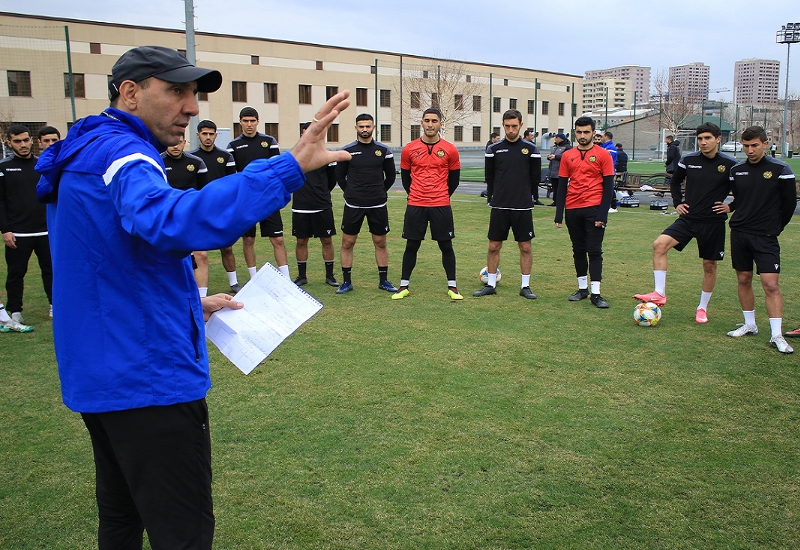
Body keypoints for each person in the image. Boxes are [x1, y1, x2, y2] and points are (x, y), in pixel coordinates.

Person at [35, 45, 352, 549]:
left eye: (193, 94)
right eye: (177, 91)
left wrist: (188, 301)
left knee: (121, 517)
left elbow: (110, 259)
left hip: (101, 372)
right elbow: (174, 221)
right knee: (182, 533)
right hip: (148, 380)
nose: (192, 107)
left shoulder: (86, 146)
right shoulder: (125, 155)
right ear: (131, 93)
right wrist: (287, 167)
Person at [633, 123, 737, 324]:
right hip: (688, 218)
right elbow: (674, 182)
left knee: (709, 265)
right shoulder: (689, 160)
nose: (703, 142)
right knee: (659, 245)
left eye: (707, 138)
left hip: (713, 222)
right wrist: (678, 203)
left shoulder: (730, 163)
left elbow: (744, 190)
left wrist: (730, 207)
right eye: (700, 138)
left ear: (718, 139)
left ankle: (702, 308)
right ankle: (659, 293)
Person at [724, 126, 796, 354]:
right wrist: (731, 208)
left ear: (765, 144)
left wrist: (776, 227)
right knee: (743, 278)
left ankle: (776, 335)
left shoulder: (781, 169)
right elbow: (741, 199)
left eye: (754, 145)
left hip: (765, 236)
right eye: (746, 146)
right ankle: (750, 324)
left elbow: (789, 203)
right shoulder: (737, 170)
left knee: (771, 285)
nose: (750, 150)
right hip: (739, 233)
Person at [393, 108, 462, 301]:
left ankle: (452, 287)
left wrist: (440, 195)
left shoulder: (450, 149)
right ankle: (403, 286)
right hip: (416, 204)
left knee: (446, 245)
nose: (430, 124)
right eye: (427, 120)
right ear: (421, 123)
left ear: (440, 124)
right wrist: (417, 194)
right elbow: (406, 179)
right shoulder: (409, 149)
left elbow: (454, 180)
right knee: (411, 245)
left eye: (434, 121)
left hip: (441, 204)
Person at [474, 109, 540, 299]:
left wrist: (528, 196)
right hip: (500, 206)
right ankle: (491, 284)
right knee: (494, 246)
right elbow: (490, 177)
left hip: (522, 206)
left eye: (514, 126)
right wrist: (492, 197)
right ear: (503, 125)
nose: (511, 130)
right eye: (508, 126)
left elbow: (535, 177)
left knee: (525, 246)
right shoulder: (494, 149)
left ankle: (525, 286)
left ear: (521, 125)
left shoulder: (531, 150)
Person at [553, 116, 614, 309]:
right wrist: (559, 213)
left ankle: (596, 293)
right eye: (579, 132)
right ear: (575, 133)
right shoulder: (567, 155)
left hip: (594, 208)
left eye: (586, 132)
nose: (582, 135)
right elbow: (561, 186)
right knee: (578, 250)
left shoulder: (603, 155)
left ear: (593, 133)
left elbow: (609, 187)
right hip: (572, 209)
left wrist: (603, 214)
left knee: (594, 250)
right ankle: (582, 289)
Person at [334, 113, 397, 294]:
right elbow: (339, 176)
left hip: (377, 204)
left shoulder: (383, 151)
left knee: (380, 242)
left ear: (373, 128)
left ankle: (383, 281)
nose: (364, 129)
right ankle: (346, 282)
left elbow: (391, 176)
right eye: (361, 126)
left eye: (368, 126)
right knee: (347, 242)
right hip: (354, 205)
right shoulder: (347, 151)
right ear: (356, 128)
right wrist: (351, 192)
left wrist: (379, 192)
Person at [0, 124, 52, 332]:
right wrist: (5, 230)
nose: (22, 144)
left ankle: (54, 305)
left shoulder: (41, 165)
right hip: (17, 233)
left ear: (31, 140)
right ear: (9, 143)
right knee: (16, 273)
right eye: (17, 141)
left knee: (50, 270)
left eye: (25, 140)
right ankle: (15, 311)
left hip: (45, 230)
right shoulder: (4, 167)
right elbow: (0, 202)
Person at [227, 106, 290, 279]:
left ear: (258, 122)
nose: (249, 124)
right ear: (240, 122)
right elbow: (234, 176)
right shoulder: (233, 146)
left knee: (278, 239)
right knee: (248, 240)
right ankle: (253, 278)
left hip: (268, 198)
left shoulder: (269, 141)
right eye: (245, 121)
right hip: (247, 200)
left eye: (252, 121)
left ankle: (286, 279)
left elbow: (277, 169)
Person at [191, 119, 242, 293]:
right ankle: (197, 287)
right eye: (204, 134)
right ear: (198, 135)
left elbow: (233, 183)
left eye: (211, 134)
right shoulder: (192, 158)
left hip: (221, 209)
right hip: (200, 210)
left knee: (227, 247)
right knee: (198, 251)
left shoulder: (226, 157)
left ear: (216, 135)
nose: (208, 137)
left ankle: (234, 282)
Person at [162, 134, 212, 296]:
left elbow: (204, 192)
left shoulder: (197, 163)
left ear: (184, 142)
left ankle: (201, 297)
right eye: (172, 143)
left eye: (179, 143)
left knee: (201, 255)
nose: (175, 146)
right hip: (168, 217)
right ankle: (175, 295)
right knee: (171, 258)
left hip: (193, 217)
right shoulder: (158, 162)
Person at [293, 121, 339, 287]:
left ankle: (330, 276)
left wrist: (321, 193)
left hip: (322, 205)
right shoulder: (294, 156)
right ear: (302, 134)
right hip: (300, 206)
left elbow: (332, 180)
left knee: (326, 240)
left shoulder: (326, 156)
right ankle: (302, 276)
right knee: (301, 241)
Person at [546, 133, 571, 205]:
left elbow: (567, 157)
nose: (555, 139)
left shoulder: (567, 147)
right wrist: (549, 157)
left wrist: (556, 157)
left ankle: (560, 201)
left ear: (561, 139)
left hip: (561, 171)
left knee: (561, 187)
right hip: (553, 171)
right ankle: (555, 201)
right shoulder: (555, 146)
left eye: (556, 137)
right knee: (555, 187)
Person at [523, 129, 544, 206]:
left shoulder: (533, 145)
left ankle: (535, 198)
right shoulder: (522, 145)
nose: (532, 137)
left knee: (534, 183)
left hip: (532, 169)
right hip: (524, 169)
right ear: (526, 136)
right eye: (531, 135)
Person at [601, 131, 619, 213]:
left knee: (609, 189)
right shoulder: (604, 146)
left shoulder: (611, 148)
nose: (601, 138)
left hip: (609, 172)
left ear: (606, 137)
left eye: (602, 136)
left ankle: (613, 206)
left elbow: (607, 160)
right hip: (604, 171)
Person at [480, 132, 502, 198]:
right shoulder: (490, 146)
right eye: (497, 138)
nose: (499, 140)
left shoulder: (494, 145)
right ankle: (489, 194)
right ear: (493, 138)